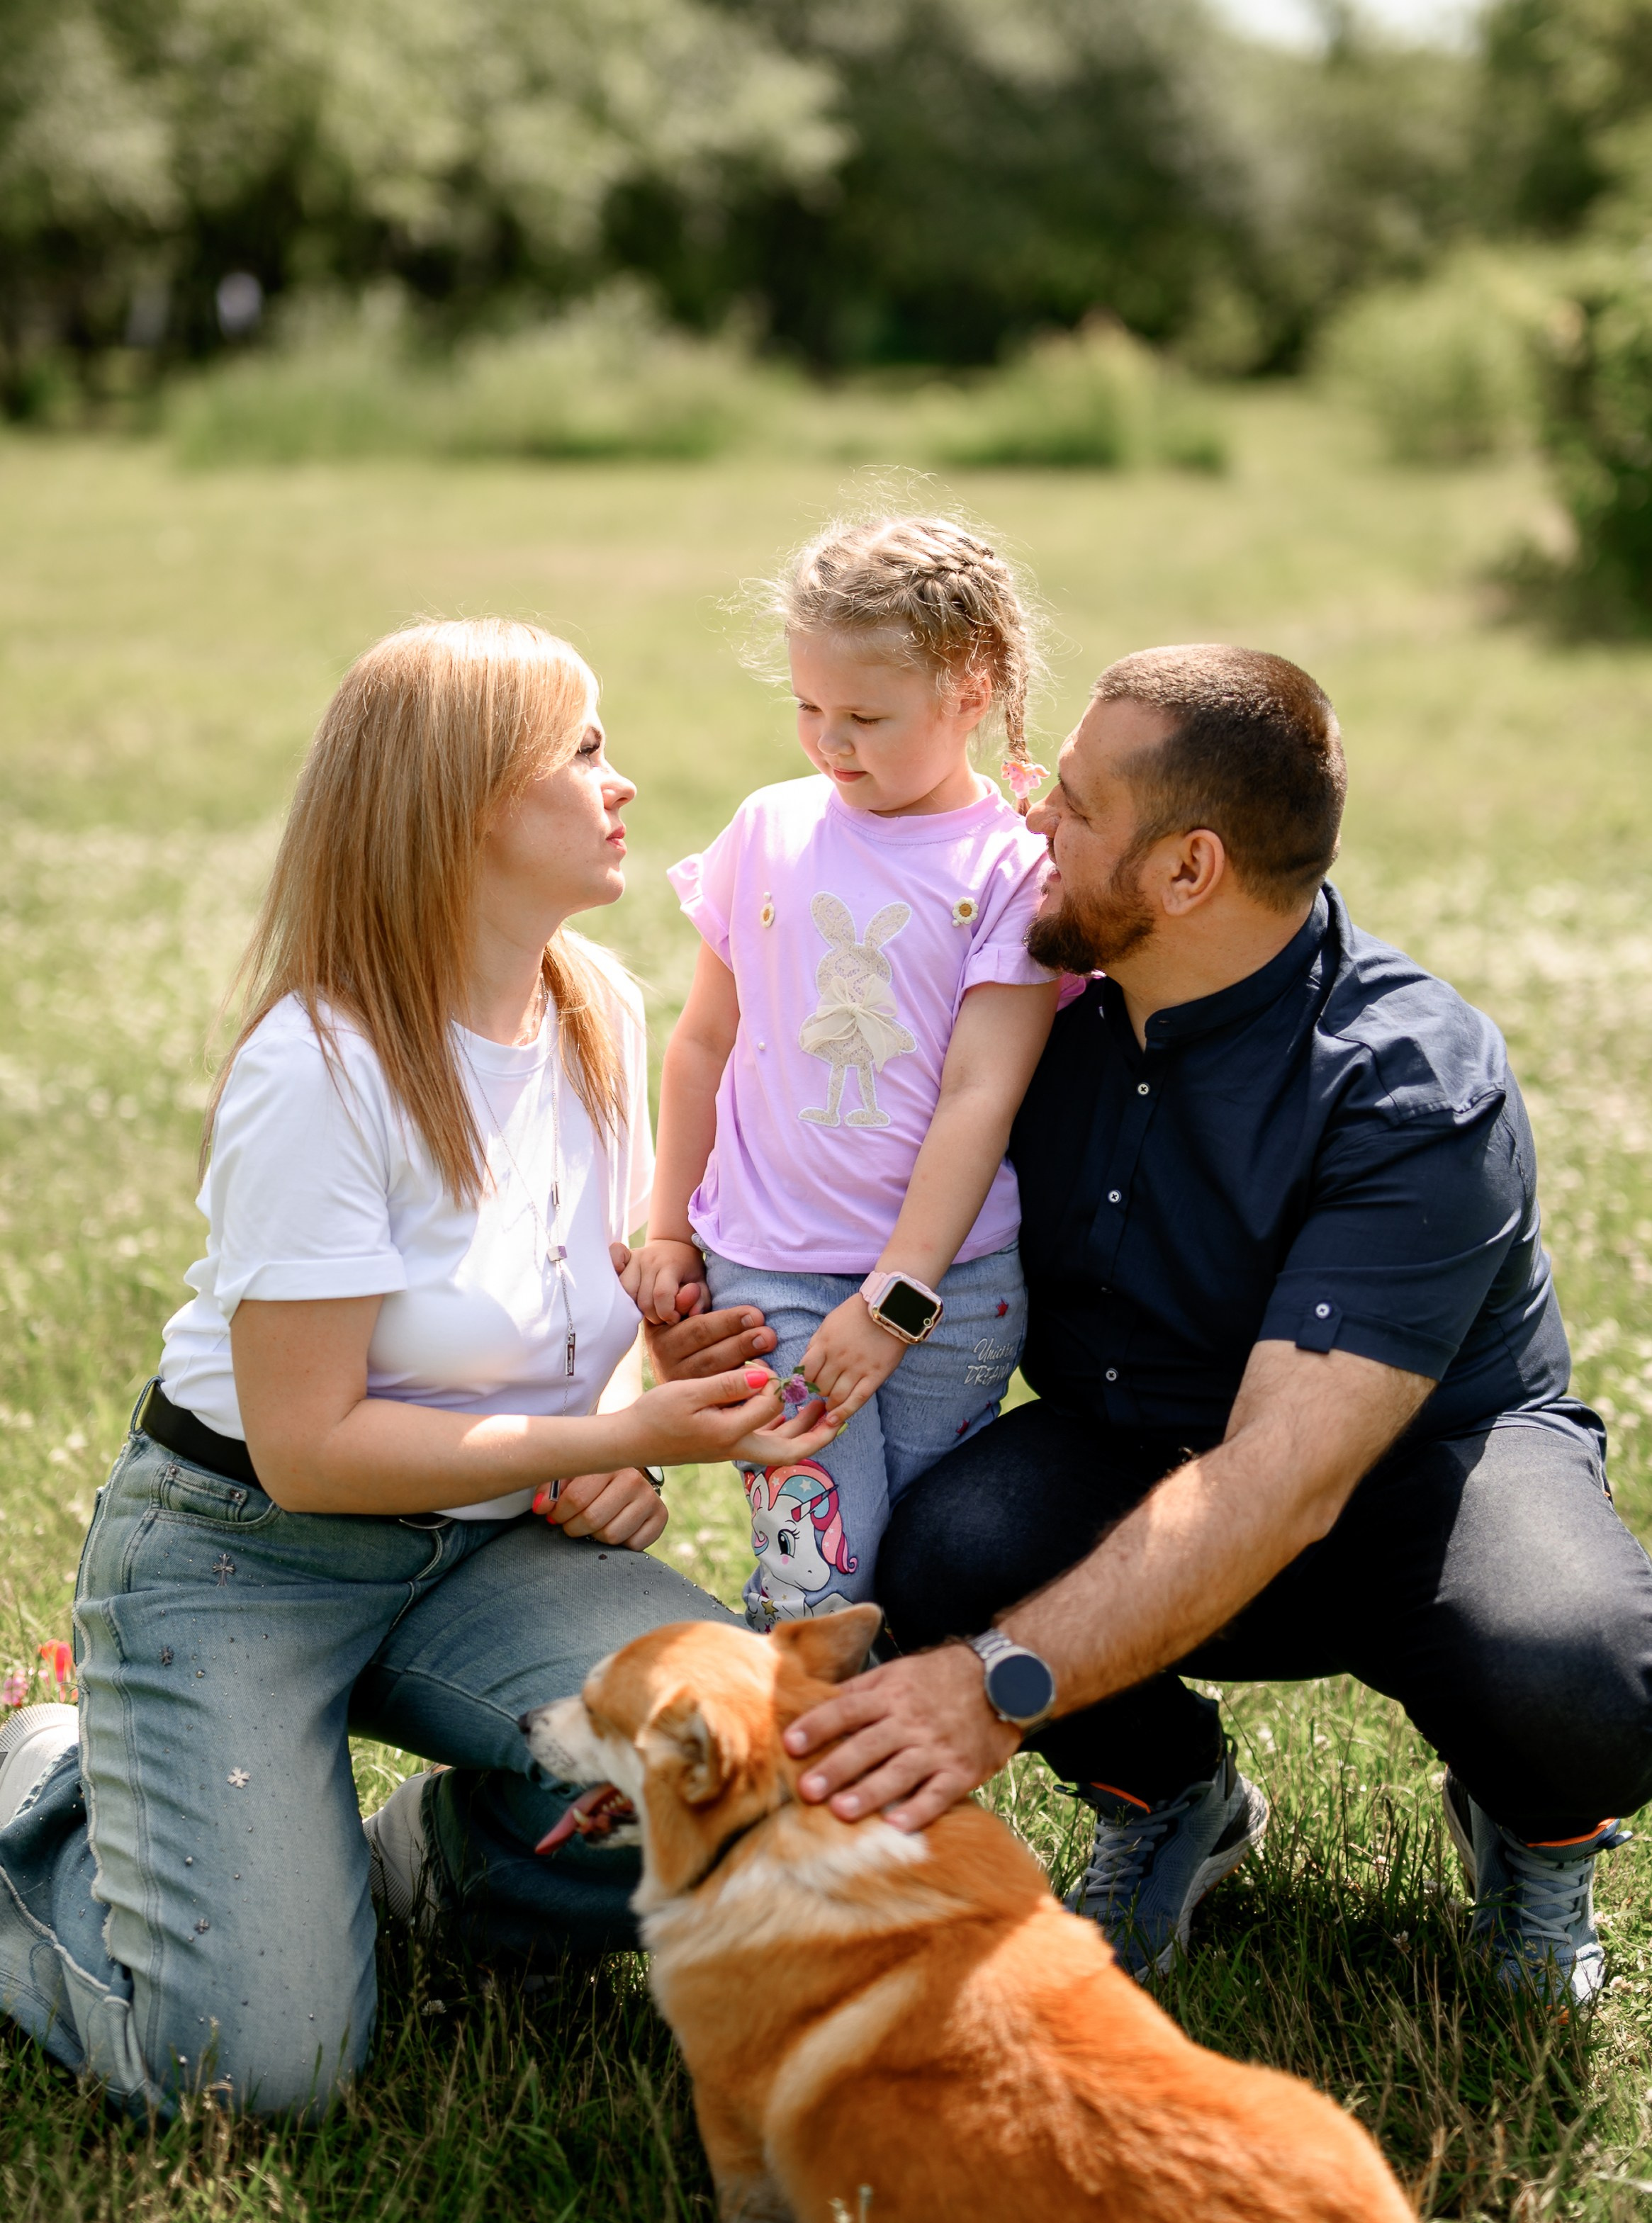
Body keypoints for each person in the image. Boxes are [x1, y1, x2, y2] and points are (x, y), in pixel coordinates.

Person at [656, 644, 1652, 2008]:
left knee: (1576, 1672)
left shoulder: (1410, 1083)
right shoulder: (1023, 1010)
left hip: (1425, 1478)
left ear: (1189, 872)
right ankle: (1173, 1791)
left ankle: (1537, 1827)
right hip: (1132, 1448)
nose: (1026, 816)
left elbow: (1282, 1479)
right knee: (938, 1550)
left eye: (1070, 802)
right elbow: (820, 1181)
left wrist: (996, 1685)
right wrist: (708, 1314)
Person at [0, 619, 828, 2120]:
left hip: (485, 1547)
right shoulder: (321, 1065)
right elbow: (310, 1448)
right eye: (583, 751)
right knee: (250, 2079)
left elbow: (567, 1316)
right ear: (467, 807)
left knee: (754, 1759)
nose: (623, 783)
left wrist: (617, 1429)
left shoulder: (595, 1004)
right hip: (245, 1557)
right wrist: (614, 1433)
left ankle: (416, 1876)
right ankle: (40, 1799)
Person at [622, 514, 1058, 1628]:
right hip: (771, 1270)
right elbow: (704, 1041)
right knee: (818, 1578)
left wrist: (895, 1301)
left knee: (927, 1571)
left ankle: (898, 1744)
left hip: (953, 1291)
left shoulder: (1011, 871)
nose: (830, 742)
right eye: (809, 707)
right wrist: (668, 1227)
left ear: (970, 691)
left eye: (866, 717)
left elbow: (981, 1096)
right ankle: (780, 1736)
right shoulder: (768, 829)